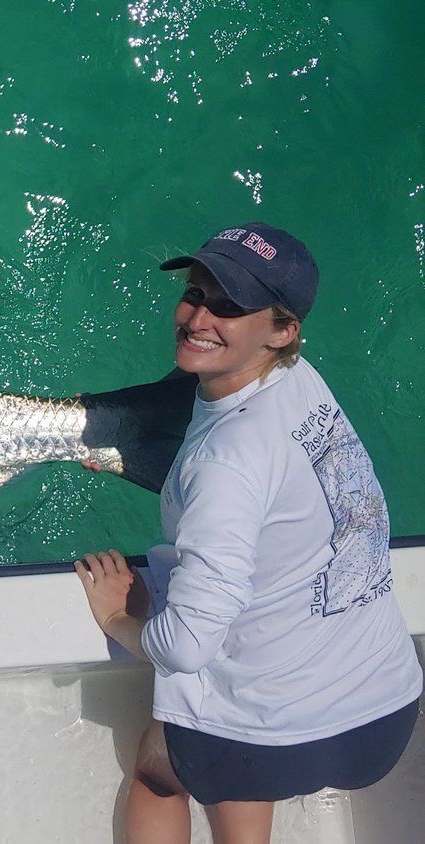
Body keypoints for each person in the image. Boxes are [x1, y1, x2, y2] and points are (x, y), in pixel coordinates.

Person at [74, 222, 422, 843]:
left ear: (283, 330)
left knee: (160, 771)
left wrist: (117, 619)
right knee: (234, 757)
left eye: (230, 306)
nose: (199, 315)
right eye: (197, 291)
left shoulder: (226, 464)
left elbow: (185, 648)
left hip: (281, 739)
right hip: (384, 713)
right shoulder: (300, 382)